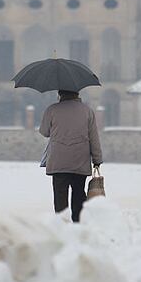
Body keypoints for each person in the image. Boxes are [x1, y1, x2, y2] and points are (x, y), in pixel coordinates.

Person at [39, 89, 103, 222]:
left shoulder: (52, 110)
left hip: (58, 162)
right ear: (77, 94)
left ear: (60, 94)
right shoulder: (87, 111)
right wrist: (97, 159)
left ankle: (62, 225)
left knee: (60, 197)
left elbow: (44, 132)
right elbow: (94, 138)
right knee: (79, 195)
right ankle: (77, 225)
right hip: (80, 161)